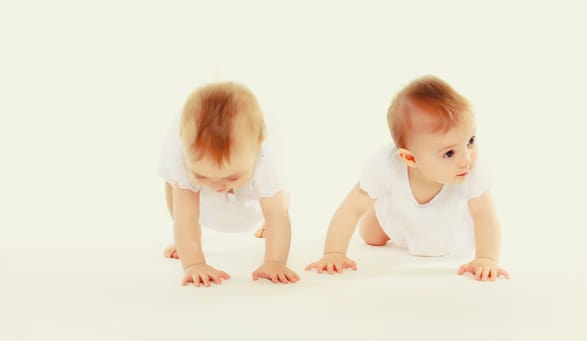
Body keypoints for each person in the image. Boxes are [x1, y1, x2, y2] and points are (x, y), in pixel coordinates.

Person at [306, 75, 510, 281]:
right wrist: (334, 253)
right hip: (397, 216)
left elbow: (485, 215)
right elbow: (350, 209)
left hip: (447, 225)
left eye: (470, 141)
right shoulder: (385, 166)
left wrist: (486, 258)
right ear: (410, 158)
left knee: (441, 247)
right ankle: (379, 210)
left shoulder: (472, 170)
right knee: (371, 236)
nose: (467, 158)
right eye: (449, 153)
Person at [159, 82, 299, 287]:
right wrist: (194, 263)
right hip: (188, 166)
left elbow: (277, 213)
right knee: (177, 188)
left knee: (276, 198)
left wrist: (274, 262)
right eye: (202, 176)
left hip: (260, 167)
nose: (217, 186)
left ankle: (262, 220)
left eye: (232, 178)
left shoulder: (267, 159)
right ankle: (184, 241)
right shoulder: (182, 157)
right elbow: (185, 215)